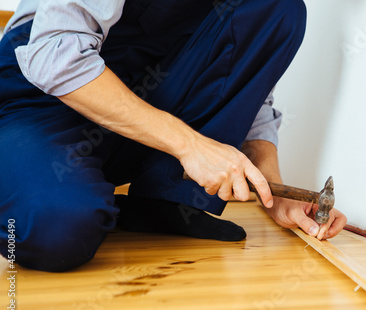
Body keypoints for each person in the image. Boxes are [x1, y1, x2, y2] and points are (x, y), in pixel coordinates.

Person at [0, 0, 346, 272]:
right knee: (55, 230)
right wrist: (190, 145)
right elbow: (53, 56)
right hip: (37, 102)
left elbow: (244, 84)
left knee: (279, 10)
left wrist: (273, 190)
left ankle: (165, 202)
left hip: (142, 111)